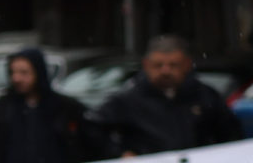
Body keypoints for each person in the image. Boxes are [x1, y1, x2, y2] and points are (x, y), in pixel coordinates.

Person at [92, 35, 245, 156]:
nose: (165, 71)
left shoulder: (205, 96)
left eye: (173, 65)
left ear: (186, 64)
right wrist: (120, 154)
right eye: (158, 65)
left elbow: (230, 133)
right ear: (146, 65)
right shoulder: (127, 99)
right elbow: (94, 129)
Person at [0, 47, 93, 163]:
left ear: (38, 72)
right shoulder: (1, 109)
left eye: (24, 72)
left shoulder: (64, 107)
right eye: (13, 72)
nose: (16, 78)